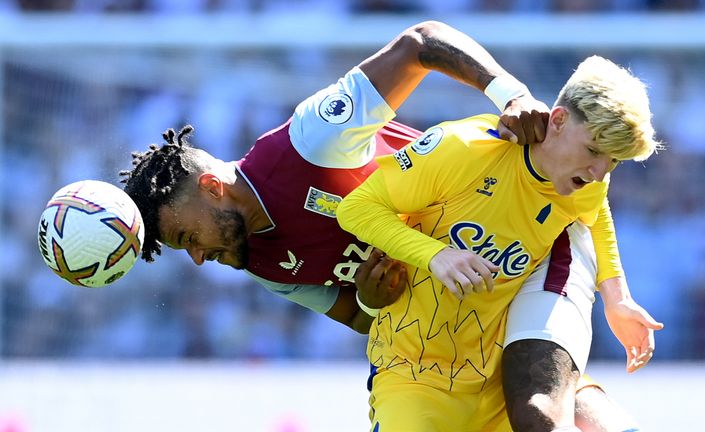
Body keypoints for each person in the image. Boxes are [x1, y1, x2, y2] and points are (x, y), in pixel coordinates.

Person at [120, 21, 643, 430]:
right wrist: (375, 299)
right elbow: (362, 317)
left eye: (188, 237)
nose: (197, 258)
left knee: (536, 409)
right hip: (459, 297)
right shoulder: (261, 265)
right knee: (526, 398)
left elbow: (422, 41)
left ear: (212, 188)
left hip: (532, 233)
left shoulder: (308, 141)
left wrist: (508, 94)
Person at [337, 55, 663, 431]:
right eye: (593, 151)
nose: (600, 172)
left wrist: (616, 297)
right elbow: (357, 209)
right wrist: (436, 255)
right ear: (557, 120)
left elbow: (596, 215)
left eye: (614, 161)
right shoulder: (464, 148)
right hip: (414, 373)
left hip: (499, 379)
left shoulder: (583, 180)